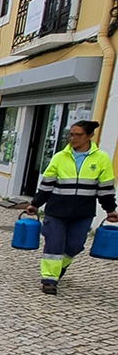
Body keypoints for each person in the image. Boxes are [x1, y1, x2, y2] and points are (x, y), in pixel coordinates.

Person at [25, 120, 117, 295]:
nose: (72, 138)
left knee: (75, 245)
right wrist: (35, 204)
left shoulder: (101, 159)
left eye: (78, 135)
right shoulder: (60, 157)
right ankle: (49, 280)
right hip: (56, 211)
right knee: (54, 243)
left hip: (83, 212)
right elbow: (46, 184)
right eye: (71, 134)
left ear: (90, 136)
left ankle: (60, 267)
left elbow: (105, 188)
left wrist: (110, 209)